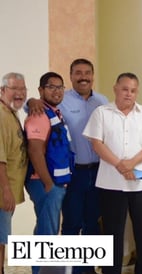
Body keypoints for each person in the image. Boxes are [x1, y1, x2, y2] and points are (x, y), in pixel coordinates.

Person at [28, 58, 108, 274]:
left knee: (93, 222)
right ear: (71, 76)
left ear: (93, 75)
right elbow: (42, 104)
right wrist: (31, 101)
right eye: (78, 73)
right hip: (74, 174)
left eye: (87, 72)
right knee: (72, 223)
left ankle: (88, 269)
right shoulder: (61, 100)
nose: (83, 77)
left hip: (99, 171)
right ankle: (72, 270)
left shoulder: (103, 101)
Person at [83, 72, 142, 274]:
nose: (129, 94)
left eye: (133, 90)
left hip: (141, 184)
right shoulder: (101, 112)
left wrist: (131, 163)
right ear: (115, 89)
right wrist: (120, 164)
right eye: (125, 89)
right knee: (112, 234)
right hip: (111, 184)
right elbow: (96, 143)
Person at [24, 72, 74, 274]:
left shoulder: (53, 112)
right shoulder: (38, 114)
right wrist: (48, 184)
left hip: (53, 183)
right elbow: (35, 150)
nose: (56, 91)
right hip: (44, 183)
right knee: (48, 233)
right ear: (41, 90)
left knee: (47, 229)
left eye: (60, 87)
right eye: (51, 87)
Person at [0, 72, 28, 274]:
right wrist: (6, 190)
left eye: (22, 89)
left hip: (9, 189)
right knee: (0, 239)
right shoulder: (1, 116)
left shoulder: (11, 112)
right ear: (2, 90)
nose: (19, 93)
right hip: (3, 191)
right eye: (14, 89)